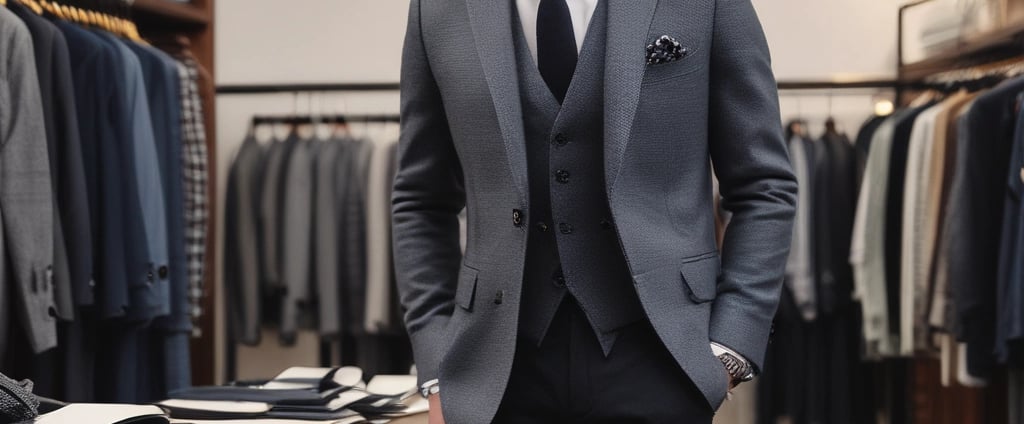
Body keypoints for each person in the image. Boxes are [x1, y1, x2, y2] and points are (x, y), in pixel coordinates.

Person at [392, 0, 797, 422]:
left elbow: (763, 186)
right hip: (496, 375)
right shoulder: (437, 9)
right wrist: (438, 368)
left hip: (663, 360)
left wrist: (730, 347)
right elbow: (421, 200)